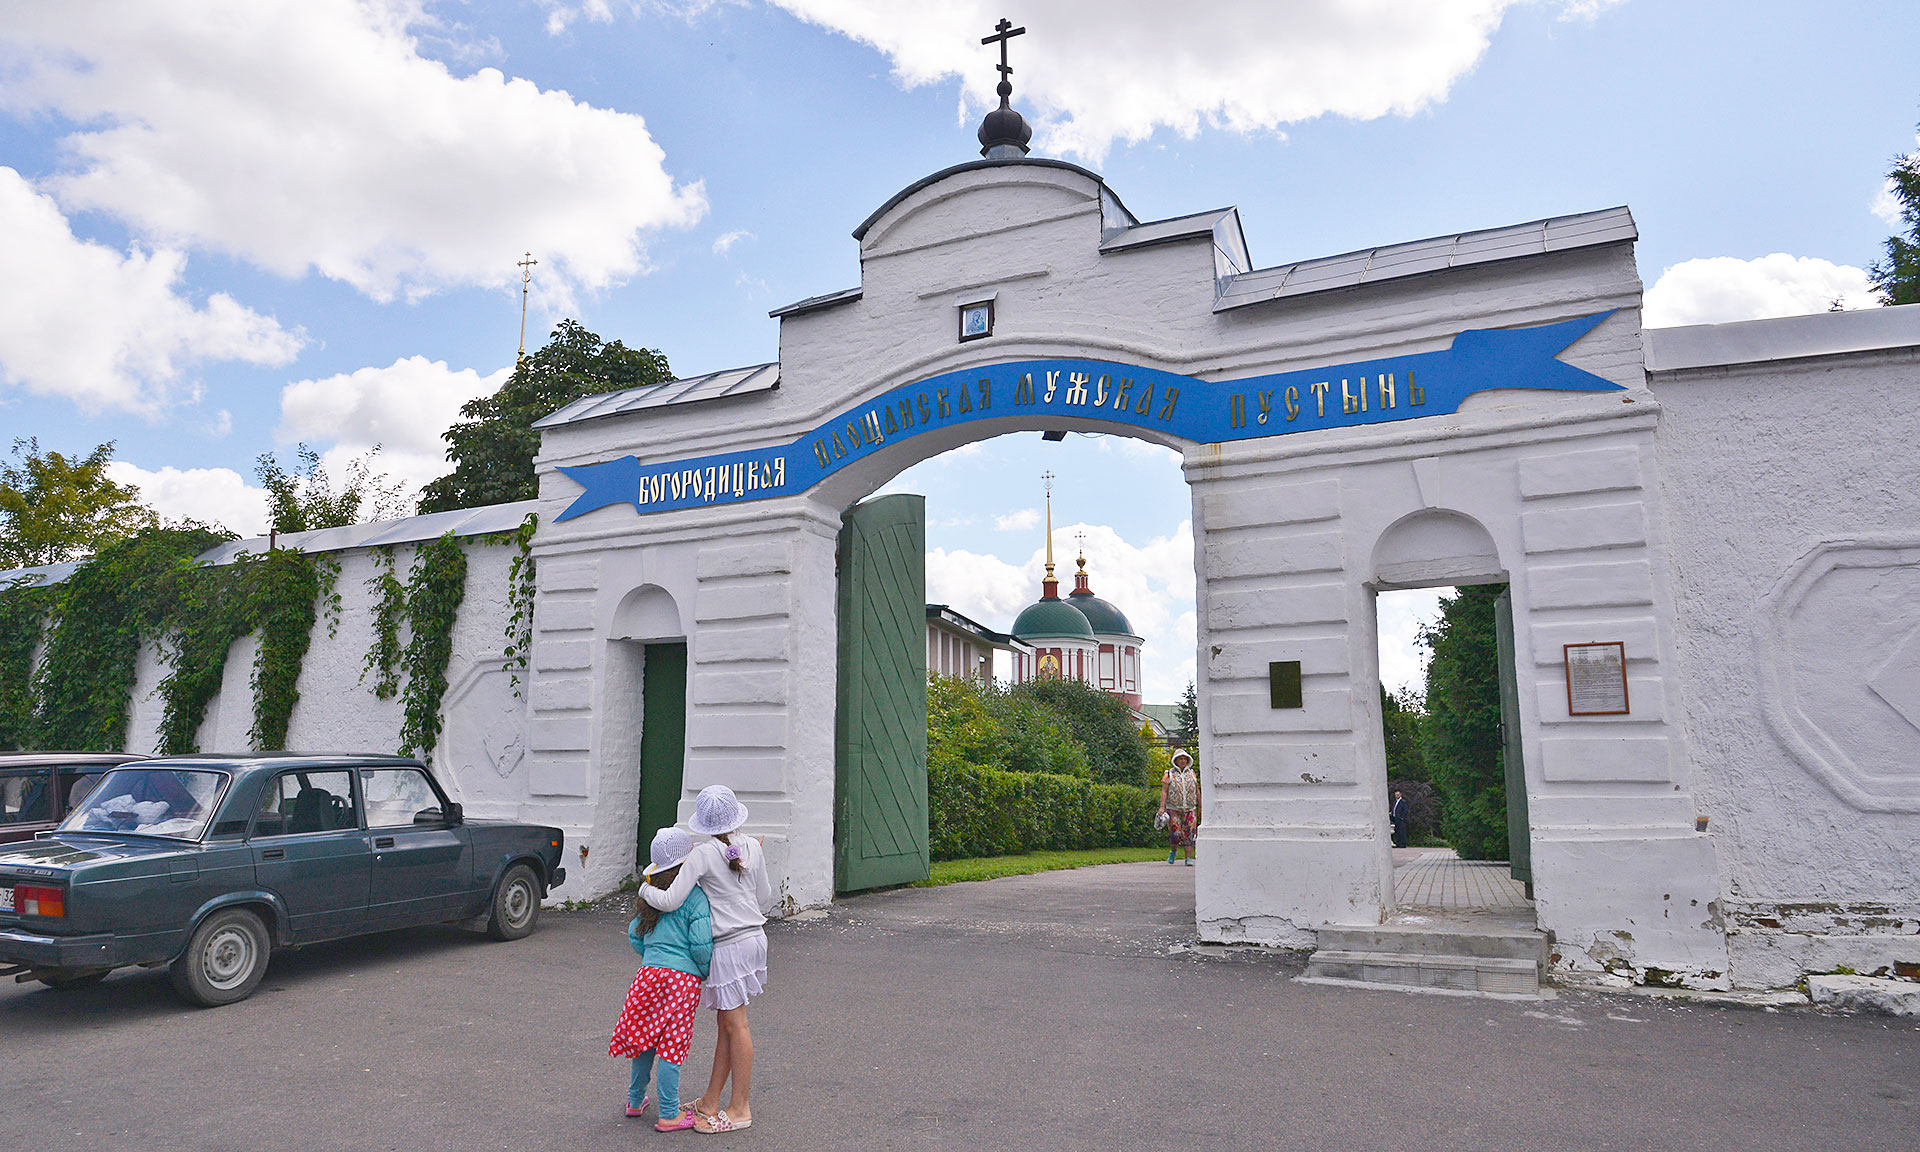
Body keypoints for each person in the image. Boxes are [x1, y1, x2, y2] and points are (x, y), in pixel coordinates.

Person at [640, 784, 775, 1134]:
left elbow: (670, 900)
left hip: (729, 946)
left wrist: (644, 888)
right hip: (753, 939)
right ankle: (711, 1101)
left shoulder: (702, 854)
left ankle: (740, 1108)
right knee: (726, 1024)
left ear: (702, 822)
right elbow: (764, 897)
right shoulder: (752, 847)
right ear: (735, 816)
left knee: (736, 1024)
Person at [610, 827, 712, 1131]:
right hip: (682, 980)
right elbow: (701, 944)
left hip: (648, 976)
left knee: (644, 1040)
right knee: (672, 1045)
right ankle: (669, 1113)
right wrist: (702, 971)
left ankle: (634, 1100)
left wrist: (652, 958)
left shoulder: (649, 897)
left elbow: (635, 935)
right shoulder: (695, 897)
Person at [1159, 749, 1200, 866]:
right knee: (1175, 832)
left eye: (1184, 759)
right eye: (1180, 759)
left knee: (1190, 833)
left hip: (1190, 807)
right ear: (1175, 761)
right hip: (1173, 807)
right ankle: (1173, 851)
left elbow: (1197, 791)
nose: (1183, 761)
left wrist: (1200, 806)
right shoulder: (1169, 774)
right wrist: (1162, 807)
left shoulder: (1192, 773)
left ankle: (1188, 858)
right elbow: (1164, 791)